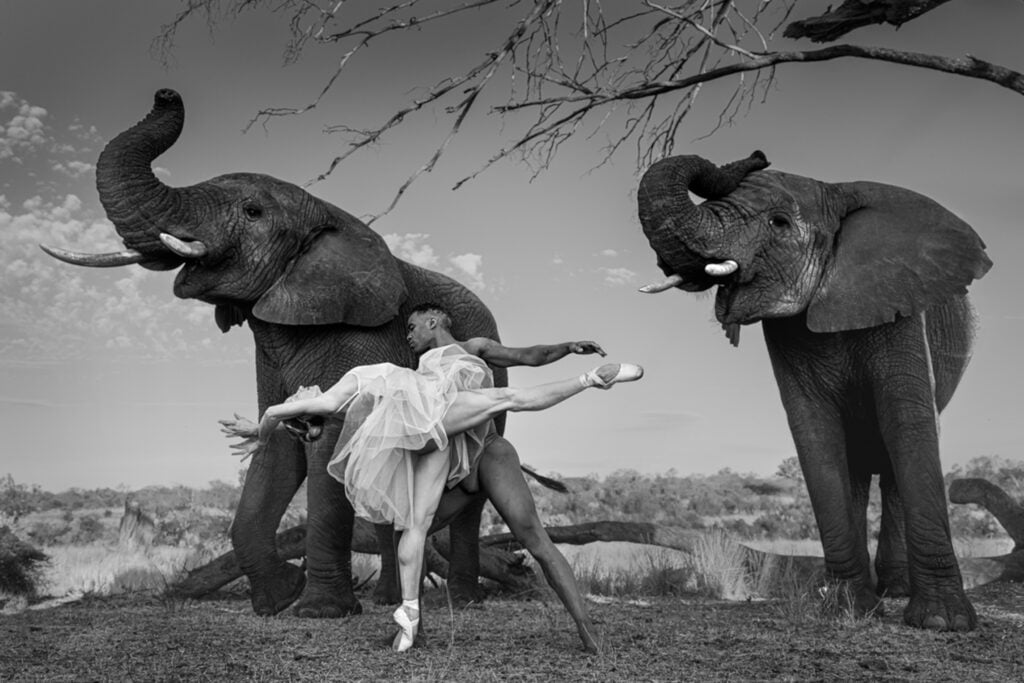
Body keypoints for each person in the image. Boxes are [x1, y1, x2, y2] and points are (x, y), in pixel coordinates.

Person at [222, 303, 643, 652]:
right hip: (442, 446)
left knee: (535, 540)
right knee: (411, 527)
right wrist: (276, 426)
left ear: (434, 320)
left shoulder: (473, 348)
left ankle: (586, 628)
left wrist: (567, 347)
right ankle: (412, 623)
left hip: (485, 452)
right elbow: (346, 409)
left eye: (412, 327)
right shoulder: (415, 373)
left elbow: (528, 356)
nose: (408, 335)